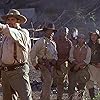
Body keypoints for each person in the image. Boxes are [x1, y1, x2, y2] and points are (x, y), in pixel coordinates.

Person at [0, 9, 33, 100]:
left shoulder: (23, 32)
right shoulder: (5, 37)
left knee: (26, 97)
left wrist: (3, 27)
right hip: (5, 71)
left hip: (18, 71)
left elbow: (14, 33)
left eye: (12, 20)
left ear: (18, 21)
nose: (10, 22)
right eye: (8, 20)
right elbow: (2, 54)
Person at [30, 22, 58, 100]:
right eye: (49, 31)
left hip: (51, 65)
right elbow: (33, 52)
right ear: (45, 31)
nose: (51, 33)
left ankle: (44, 98)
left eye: (52, 31)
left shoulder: (53, 43)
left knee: (48, 83)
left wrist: (54, 60)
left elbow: (55, 54)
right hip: (44, 65)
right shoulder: (41, 41)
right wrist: (35, 64)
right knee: (47, 82)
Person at [68, 34, 91, 100]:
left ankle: (80, 98)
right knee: (71, 85)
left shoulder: (87, 48)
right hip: (74, 68)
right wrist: (76, 64)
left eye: (82, 38)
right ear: (77, 39)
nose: (81, 39)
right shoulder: (73, 47)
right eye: (79, 38)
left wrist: (79, 65)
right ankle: (70, 98)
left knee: (82, 86)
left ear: (84, 39)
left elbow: (87, 59)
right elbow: (70, 57)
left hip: (83, 69)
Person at [53, 27, 72, 100]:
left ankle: (59, 97)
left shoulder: (69, 42)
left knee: (61, 82)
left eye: (65, 32)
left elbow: (69, 55)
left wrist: (62, 61)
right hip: (55, 62)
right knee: (51, 80)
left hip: (64, 63)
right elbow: (53, 52)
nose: (63, 34)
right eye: (62, 32)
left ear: (67, 33)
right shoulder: (56, 41)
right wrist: (57, 62)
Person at [86, 30, 100, 99]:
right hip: (90, 66)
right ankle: (92, 98)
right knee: (89, 82)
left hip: (99, 66)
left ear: (98, 36)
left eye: (95, 35)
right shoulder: (88, 45)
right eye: (92, 35)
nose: (93, 37)